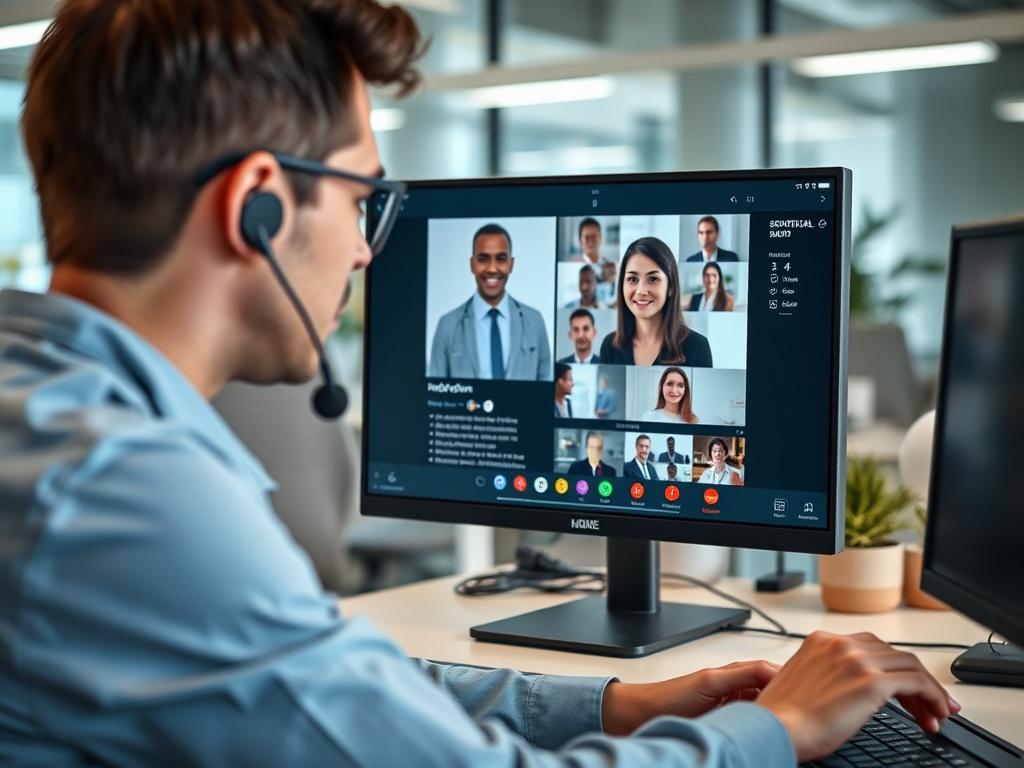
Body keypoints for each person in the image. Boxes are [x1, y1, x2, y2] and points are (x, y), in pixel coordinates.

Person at [0, 2, 961, 766]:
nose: (368, 252)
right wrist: (777, 733)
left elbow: (321, 686)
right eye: (364, 201)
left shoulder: (49, 415)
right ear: (254, 204)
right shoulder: (121, 492)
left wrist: (612, 705)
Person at [429, 223, 552, 380]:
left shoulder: (534, 321)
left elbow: (545, 390)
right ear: (472, 264)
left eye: (501, 259)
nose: (492, 268)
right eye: (483, 259)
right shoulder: (447, 326)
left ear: (511, 264)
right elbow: (435, 395)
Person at [599, 237, 713, 367]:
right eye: (632, 279)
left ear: (670, 286)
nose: (641, 290)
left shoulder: (698, 347)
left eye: (653, 279)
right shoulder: (610, 346)